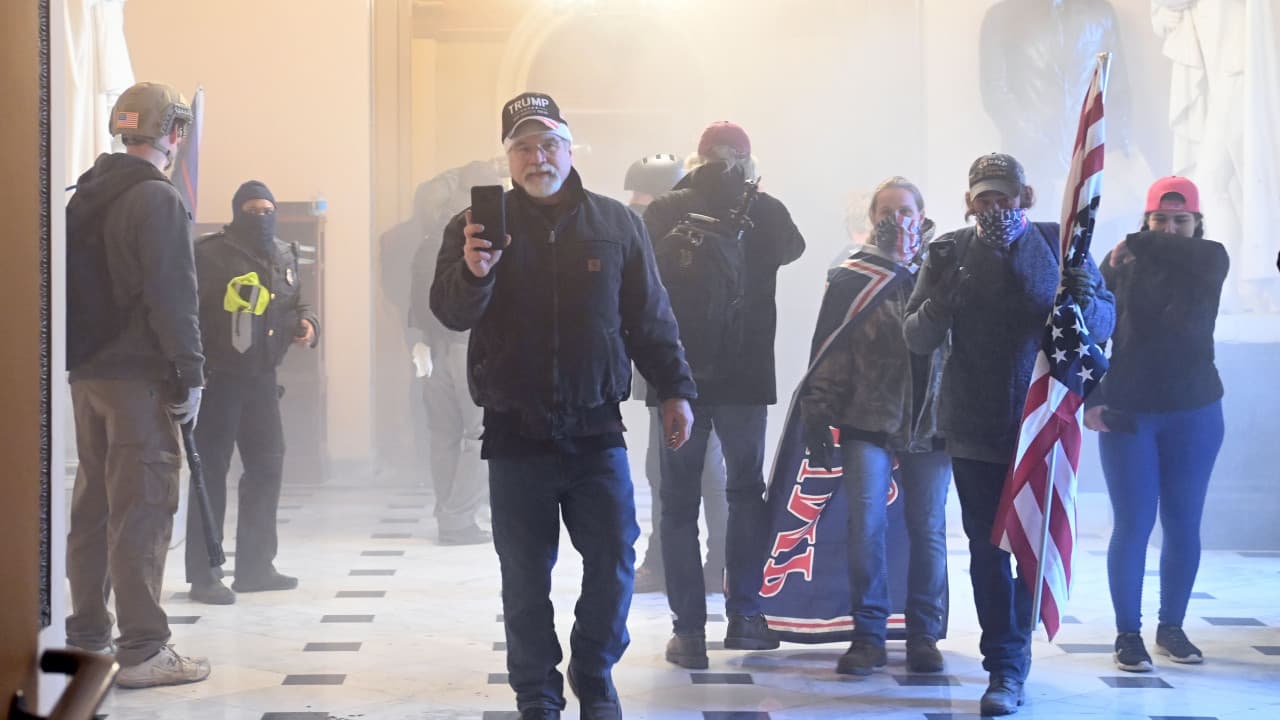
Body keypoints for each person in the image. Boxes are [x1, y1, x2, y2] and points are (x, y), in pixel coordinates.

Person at [430, 92, 696, 720]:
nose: (536, 157)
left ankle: (594, 669)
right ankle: (537, 693)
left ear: (570, 149)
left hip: (595, 426)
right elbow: (449, 312)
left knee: (614, 560)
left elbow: (649, 317)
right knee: (525, 578)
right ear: (508, 158)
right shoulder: (473, 225)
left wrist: (675, 390)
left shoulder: (616, 223)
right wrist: (474, 270)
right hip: (514, 429)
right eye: (522, 146)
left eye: (548, 143)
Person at [904, 153, 1115, 715]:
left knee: (1030, 547)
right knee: (987, 549)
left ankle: (1014, 658)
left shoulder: (1056, 241)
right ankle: (1002, 663)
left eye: (1005, 195)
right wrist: (943, 295)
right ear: (970, 200)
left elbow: (1103, 324)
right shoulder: (948, 250)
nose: (996, 206)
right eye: (985, 197)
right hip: (973, 424)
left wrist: (1081, 298)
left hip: (1038, 422)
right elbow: (916, 336)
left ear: (1025, 195)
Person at [643, 121, 805, 668]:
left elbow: (640, 278)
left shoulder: (665, 208)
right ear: (745, 160)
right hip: (744, 377)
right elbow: (794, 248)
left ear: (698, 157)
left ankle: (688, 633)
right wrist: (750, 187)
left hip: (676, 379)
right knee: (743, 493)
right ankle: (746, 617)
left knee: (677, 502)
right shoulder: (766, 209)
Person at [64, 81, 210, 687]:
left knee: (94, 504)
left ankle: (89, 639)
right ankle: (145, 649)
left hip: (87, 374)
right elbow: (174, 296)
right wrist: (192, 372)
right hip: (139, 381)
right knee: (143, 507)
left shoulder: (86, 192)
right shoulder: (158, 198)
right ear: (173, 132)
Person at [800, 176, 950, 676]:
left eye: (905, 209)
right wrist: (817, 413)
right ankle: (868, 635)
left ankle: (924, 634)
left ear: (923, 214)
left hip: (931, 421)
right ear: (871, 218)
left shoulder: (946, 268)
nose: (896, 219)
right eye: (886, 210)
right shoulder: (851, 276)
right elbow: (828, 350)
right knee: (865, 526)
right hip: (867, 415)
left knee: (927, 528)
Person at [1084, 177, 1228, 672]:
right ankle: (1128, 634)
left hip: (1195, 411)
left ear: (1196, 223)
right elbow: (1089, 328)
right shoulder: (1121, 263)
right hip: (1130, 412)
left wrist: (1137, 242)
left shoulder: (1211, 257)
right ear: (1147, 219)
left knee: (1183, 523)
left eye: (1180, 220)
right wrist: (1092, 396)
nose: (1170, 229)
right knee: (1133, 524)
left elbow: (1184, 255)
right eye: (1160, 219)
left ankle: (1172, 626)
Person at [184, 181, 320, 603]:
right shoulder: (209, 254)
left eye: (267, 210)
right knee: (211, 475)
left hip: (262, 378)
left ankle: (256, 566)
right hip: (220, 378)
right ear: (236, 211)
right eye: (251, 209)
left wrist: (309, 324)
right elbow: (190, 310)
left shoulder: (284, 253)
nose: (260, 217)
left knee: (267, 468)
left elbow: (296, 302)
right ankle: (205, 574)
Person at [624, 153, 728, 595]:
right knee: (664, 472)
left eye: (642, 195)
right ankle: (673, 561)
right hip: (666, 376)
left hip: (691, 375)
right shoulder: (657, 237)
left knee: (707, 476)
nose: (633, 204)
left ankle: (718, 564)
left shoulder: (690, 248)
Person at [406, 161, 505, 545]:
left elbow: (415, 294)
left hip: (436, 343)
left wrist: (422, 340)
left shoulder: (431, 236)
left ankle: (446, 511)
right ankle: (458, 517)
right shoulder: (478, 233)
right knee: (483, 432)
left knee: (444, 434)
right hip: (470, 344)